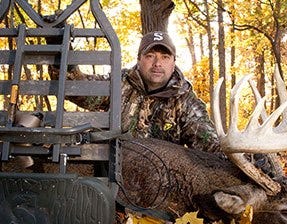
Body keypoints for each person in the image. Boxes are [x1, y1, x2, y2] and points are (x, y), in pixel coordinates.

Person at [49, 31, 220, 153]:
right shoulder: (120, 83)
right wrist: (62, 54)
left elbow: (209, 143)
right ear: (139, 59)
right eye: (150, 56)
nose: (157, 63)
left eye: (165, 57)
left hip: (161, 183)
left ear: (173, 63)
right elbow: (80, 90)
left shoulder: (185, 101)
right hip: (114, 172)